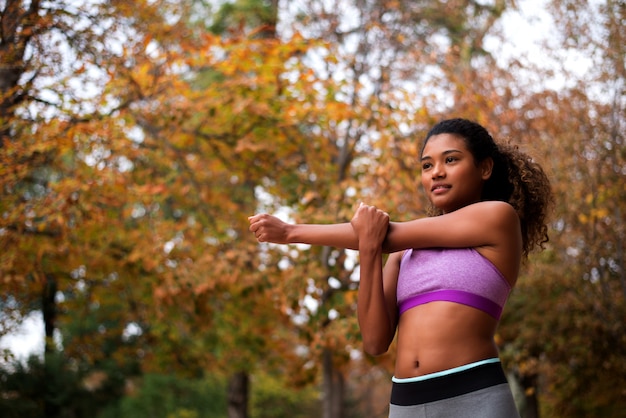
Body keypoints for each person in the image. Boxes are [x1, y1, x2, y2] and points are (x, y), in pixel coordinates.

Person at [248, 118, 552, 417]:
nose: (437, 173)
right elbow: (375, 342)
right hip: (405, 402)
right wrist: (369, 250)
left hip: (473, 397)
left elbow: (388, 235)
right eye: (427, 165)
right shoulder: (402, 253)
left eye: (451, 159)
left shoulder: (498, 217)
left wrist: (291, 232)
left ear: (484, 168)